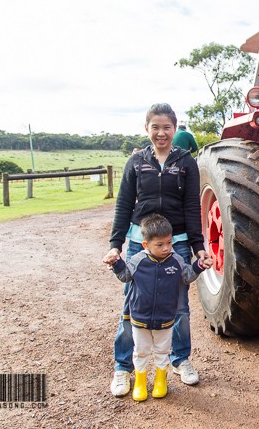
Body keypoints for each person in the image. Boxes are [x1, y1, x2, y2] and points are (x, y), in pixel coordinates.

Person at [102, 103, 210, 397]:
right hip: (140, 240)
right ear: (146, 128)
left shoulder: (186, 162)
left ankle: (180, 359)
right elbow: (124, 204)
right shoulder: (136, 162)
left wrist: (198, 247)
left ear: (175, 129)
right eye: (155, 127)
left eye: (167, 127)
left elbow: (191, 206)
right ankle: (123, 368)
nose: (161, 133)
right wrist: (116, 245)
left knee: (179, 305)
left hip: (177, 241)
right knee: (132, 302)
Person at [108, 214, 212, 401]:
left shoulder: (177, 260)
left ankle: (160, 379)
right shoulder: (138, 260)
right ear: (146, 245)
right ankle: (140, 382)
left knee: (162, 351)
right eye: (160, 245)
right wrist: (116, 263)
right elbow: (125, 275)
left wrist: (199, 266)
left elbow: (187, 276)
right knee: (141, 350)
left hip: (166, 319)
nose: (166, 248)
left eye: (169, 243)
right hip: (140, 318)